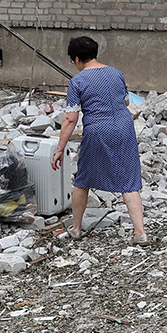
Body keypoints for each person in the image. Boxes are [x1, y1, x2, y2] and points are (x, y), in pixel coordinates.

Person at [51, 36, 150, 245]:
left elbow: (70, 118)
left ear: (77, 59)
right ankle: (140, 232)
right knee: (129, 181)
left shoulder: (77, 82)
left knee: (83, 179)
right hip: (124, 127)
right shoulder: (116, 73)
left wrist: (60, 148)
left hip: (98, 130)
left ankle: (76, 228)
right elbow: (125, 101)